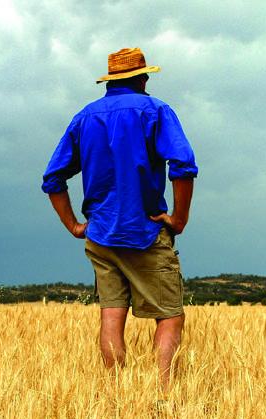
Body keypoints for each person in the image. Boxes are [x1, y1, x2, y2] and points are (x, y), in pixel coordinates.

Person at [41, 47, 198, 391]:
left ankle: (115, 397)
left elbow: (52, 178)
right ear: (143, 78)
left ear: (110, 81)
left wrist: (74, 225)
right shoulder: (155, 110)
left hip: (100, 236)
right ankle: (163, 394)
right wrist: (179, 218)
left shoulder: (84, 118)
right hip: (144, 231)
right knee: (169, 315)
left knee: (112, 314)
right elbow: (183, 166)